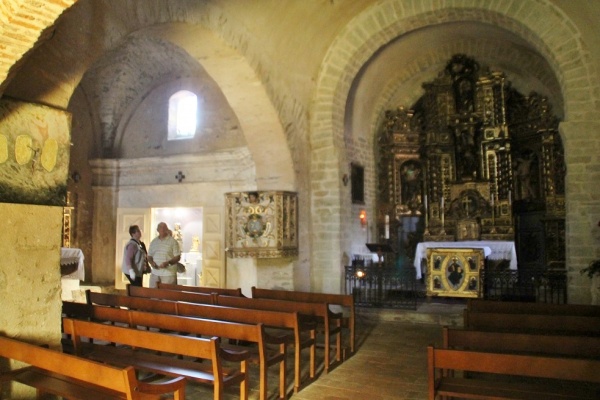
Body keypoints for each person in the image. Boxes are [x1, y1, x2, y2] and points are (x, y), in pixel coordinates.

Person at [147, 222, 181, 288]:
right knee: (153, 295)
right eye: (160, 228)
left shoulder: (173, 242)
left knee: (168, 295)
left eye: (164, 228)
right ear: (157, 230)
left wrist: (168, 263)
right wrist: (152, 263)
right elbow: (149, 256)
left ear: (166, 229)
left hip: (169, 274)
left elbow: (177, 257)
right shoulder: (154, 242)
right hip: (155, 273)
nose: (162, 230)